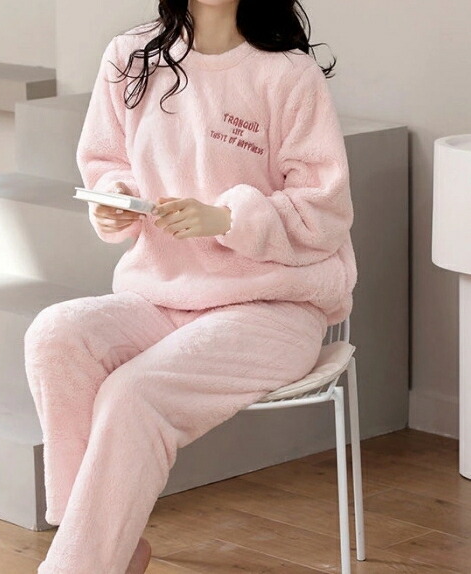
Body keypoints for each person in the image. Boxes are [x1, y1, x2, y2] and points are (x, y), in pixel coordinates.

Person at [24, 0, 358, 572]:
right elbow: (106, 162)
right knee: (55, 336)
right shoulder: (131, 57)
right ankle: (107, 546)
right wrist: (114, 201)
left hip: (272, 307)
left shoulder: (286, 74)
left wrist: (228, 219)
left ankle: (81, 562)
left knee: (133, 395)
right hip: (163, 294)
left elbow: (323, 211)